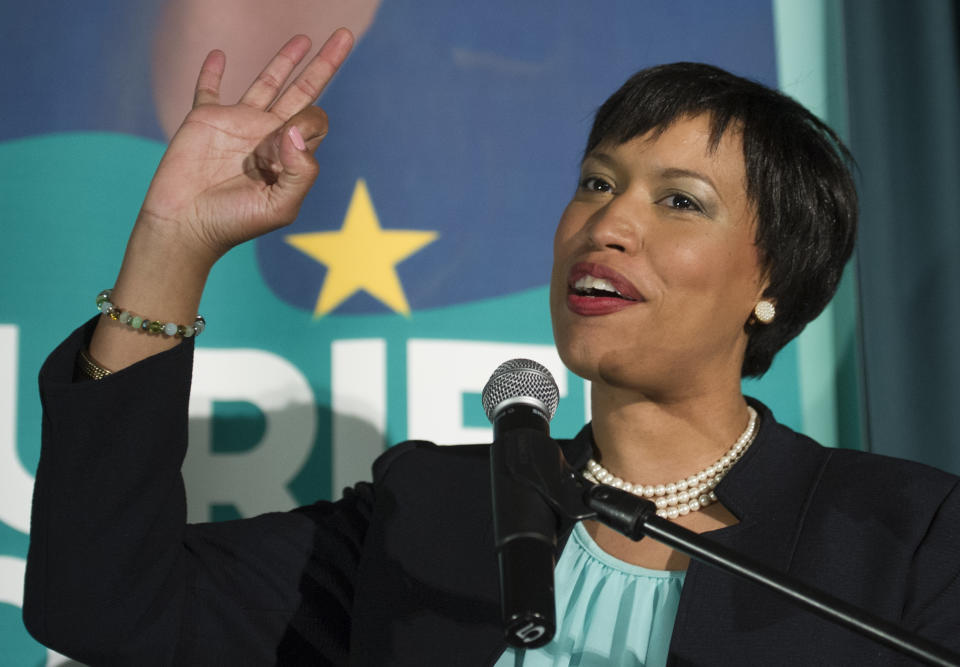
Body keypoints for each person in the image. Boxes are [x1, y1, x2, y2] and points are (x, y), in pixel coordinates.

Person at [24, 29, 960, 666]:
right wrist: (172, 244)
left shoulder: (901, 536)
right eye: (597, 183)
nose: (610, 223)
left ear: (772, 285)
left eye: (679, 200)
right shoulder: (430, 511)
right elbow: (106, 602)